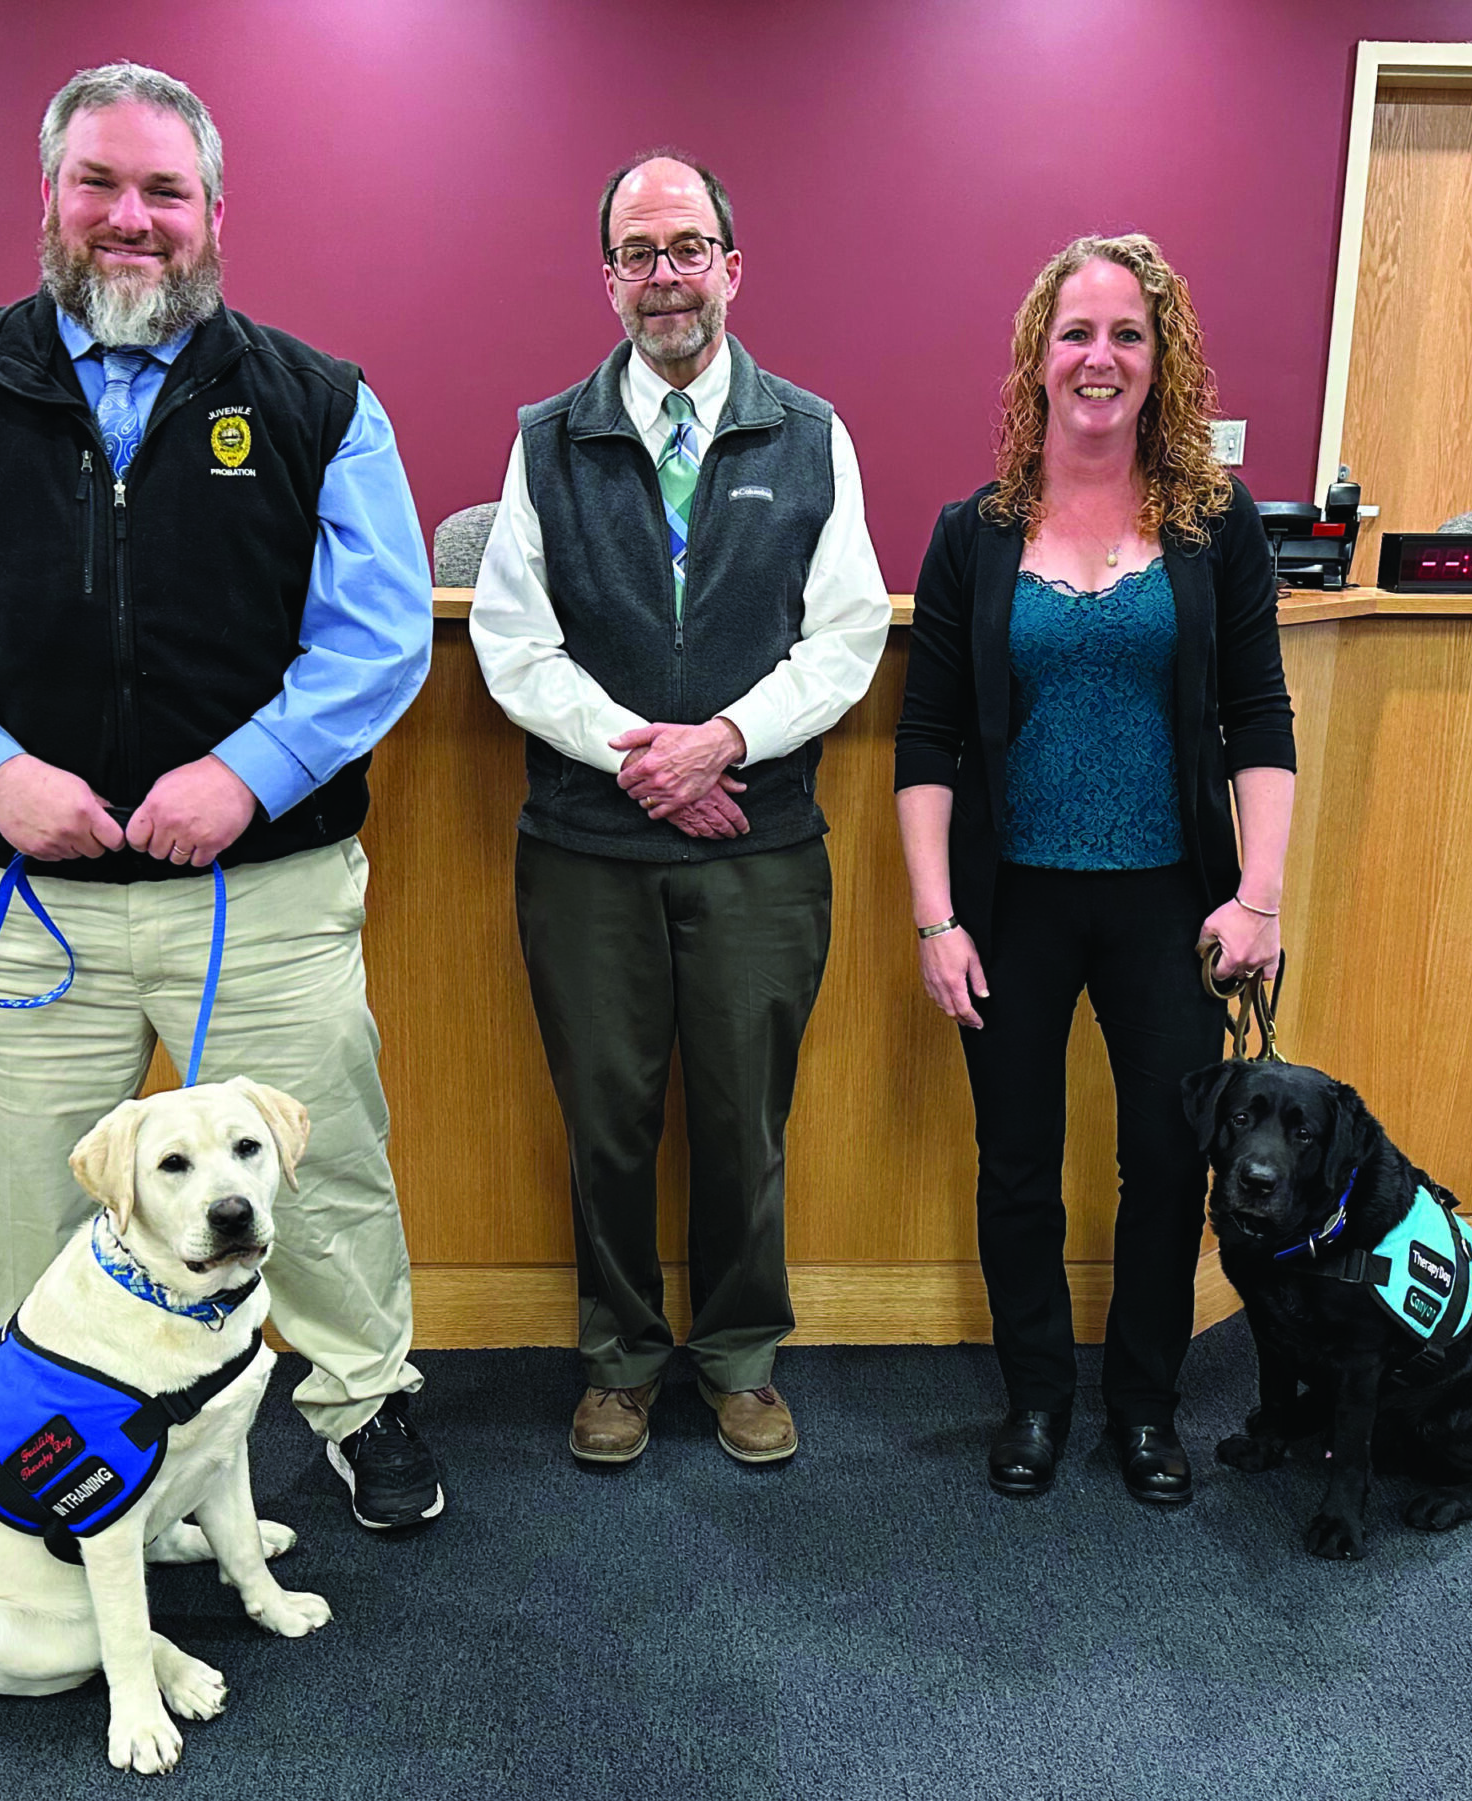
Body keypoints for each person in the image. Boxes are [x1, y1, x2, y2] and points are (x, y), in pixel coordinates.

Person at [0, 62, 445, 1533]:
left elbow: (379, 631)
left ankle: (360, 1402)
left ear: (214, 212)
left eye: (165, 190)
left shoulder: (314, 400)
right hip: (25, 907)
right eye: (101, 183)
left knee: (319, 1172)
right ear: (52, 198)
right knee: (27, 1196)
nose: (131, 218)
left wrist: (249, 773)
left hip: (261, 895)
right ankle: (24, 1434)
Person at [470, 152, 890, 1467]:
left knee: (743, 1121)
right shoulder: (548, 437)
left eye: (688, 247)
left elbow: (846, 636)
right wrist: (640, 760)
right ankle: (619, 1359)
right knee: (605, 1118)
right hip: (586, 856)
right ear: (609, 279)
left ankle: (740, 1355)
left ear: (731, 266)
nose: (667, 275)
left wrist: (722, 744)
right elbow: (513, 644)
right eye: (640, 253)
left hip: (761, 856)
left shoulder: (812, 433)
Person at [893, 233, 1295, 1507]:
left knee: (1166, 1167)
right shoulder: (973, 534)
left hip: (1169, 903)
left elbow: (1257, 717)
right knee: (1014, 1160)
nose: (1099, 357)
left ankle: (1140, 1406)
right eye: (1076, 333)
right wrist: (932, 916)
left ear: (1158, 360)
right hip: (1010, 901)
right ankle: (1032, 1401)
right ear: (1038, 356)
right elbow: (928, 738)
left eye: (1127, 334)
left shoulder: (1213, 530)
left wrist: (1259, 893)